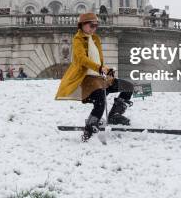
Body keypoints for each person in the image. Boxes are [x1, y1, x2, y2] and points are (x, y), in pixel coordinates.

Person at [55, 12, 134, 142]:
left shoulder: (95, 39)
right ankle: (89, 131)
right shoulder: (78, 39)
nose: (94, 28)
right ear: (82, 25)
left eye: (96, 26)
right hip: (87, 80)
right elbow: (81, 59)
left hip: (101, 78)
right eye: (91, 25)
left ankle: (114, 115)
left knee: (128, 87)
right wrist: (99, 68)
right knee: (100, 102)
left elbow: (98, 61)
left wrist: (107, 70)